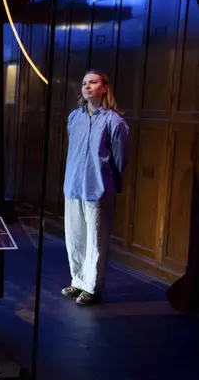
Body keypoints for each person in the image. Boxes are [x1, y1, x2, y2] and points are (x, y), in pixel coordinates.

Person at [61, 70, 129, 306]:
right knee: (75, 237)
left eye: (92, 82)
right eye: (84, 83)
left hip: (98, 187)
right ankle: (78, 280)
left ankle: (93, 287)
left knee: (96, 241)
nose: (87, 86)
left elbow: (120, 157)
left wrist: (111, 184)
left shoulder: (114, 121)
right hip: (73, 186)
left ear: (104, 88)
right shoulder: (74, 117)